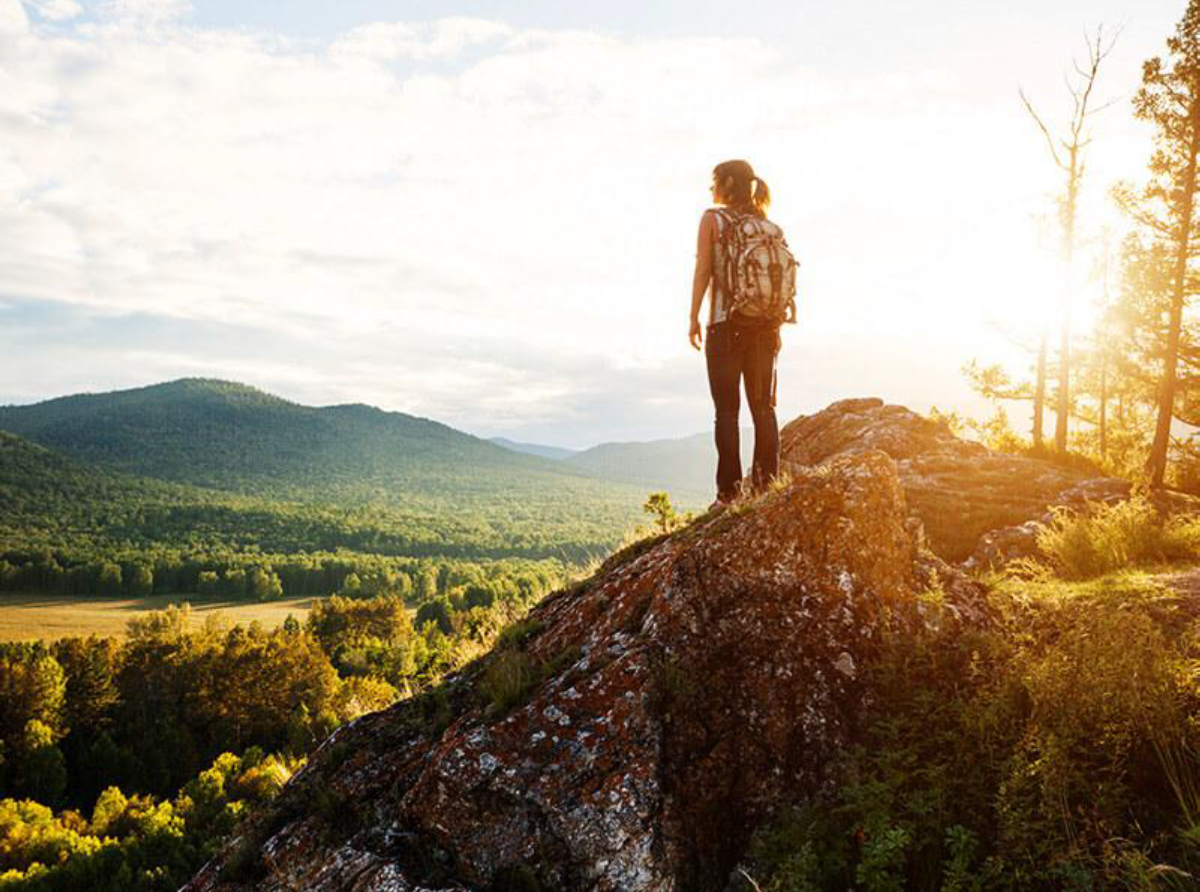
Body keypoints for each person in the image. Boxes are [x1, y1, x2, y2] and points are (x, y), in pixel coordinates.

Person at [688, 159, 785, 509]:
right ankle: (765, 487)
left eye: (714, 180)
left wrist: (693, 316)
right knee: (764, 407)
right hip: (765, 326)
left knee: (727, 412)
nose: (711, 187)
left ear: (728, 182)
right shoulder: (765, 225)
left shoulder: (713, 219)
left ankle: (728, 494)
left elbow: (702, 269)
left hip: (725, 325)